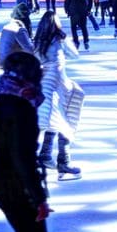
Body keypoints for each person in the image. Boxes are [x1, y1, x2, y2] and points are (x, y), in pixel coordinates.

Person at [0, 51, 50, 232]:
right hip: (17, 186)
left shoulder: (4, 95)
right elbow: (22, 155)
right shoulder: (21, 107)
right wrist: (38, 198)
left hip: (3, 181)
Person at [33, 11, 84, 179]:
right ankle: (64, 162)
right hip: (59, 84)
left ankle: (45, 155)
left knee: (54, 119)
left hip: (44, 85)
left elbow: (36, 60)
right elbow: (75, 55)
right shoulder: (60, 38)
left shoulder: (38, 42)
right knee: (67, 119)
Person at [0, 4, 35, 70]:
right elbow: (30, 50)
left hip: (1, 61)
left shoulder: (7, 26)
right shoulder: (19, 29)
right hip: (9, 64)